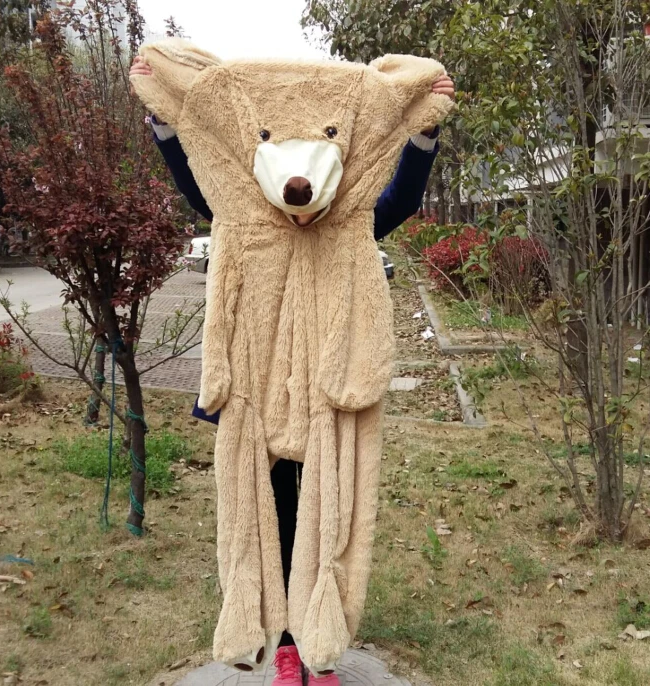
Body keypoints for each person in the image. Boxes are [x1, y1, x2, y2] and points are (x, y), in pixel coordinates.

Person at [130, 55, 454, 686]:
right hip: (259, 392)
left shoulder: (353, 216)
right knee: (271, 510)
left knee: (330, 512)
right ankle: (281, 644)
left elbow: (403, 197)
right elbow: (201, 186)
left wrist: (423, 130)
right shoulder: (246, 211)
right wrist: (169, 120)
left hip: (329, 391)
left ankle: (320, 639)